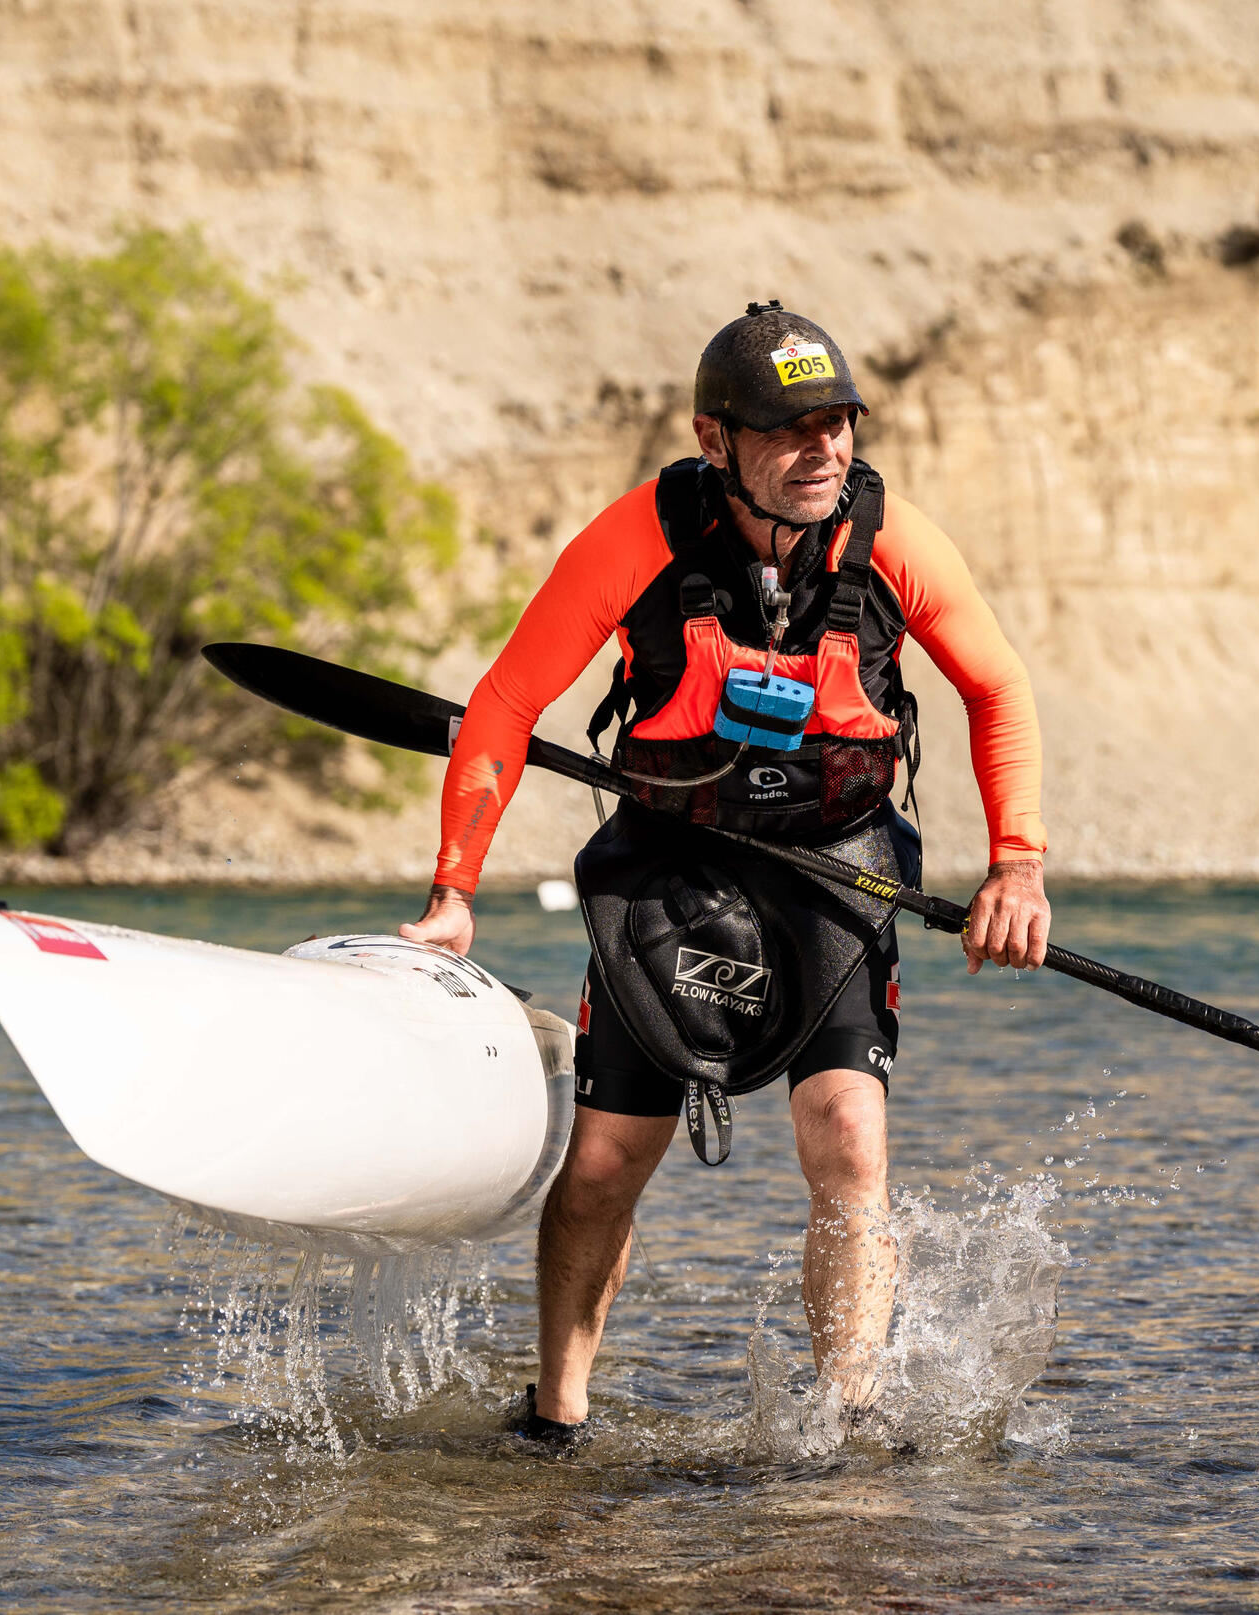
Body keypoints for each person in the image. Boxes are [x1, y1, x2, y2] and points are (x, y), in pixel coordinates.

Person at [398, 302, 1051, 1442]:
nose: (824, 450)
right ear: (715, 440)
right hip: (669, 868)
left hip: (839, 871)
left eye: (839, 423)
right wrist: (455, 893)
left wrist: (1018, 867)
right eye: (790, 428)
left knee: (848, 1136)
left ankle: (846, 1426)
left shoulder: (892, 541)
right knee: (603, 1161)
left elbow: (998, 687)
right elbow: (506, 701)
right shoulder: (637, 540)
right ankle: (555, 1416)